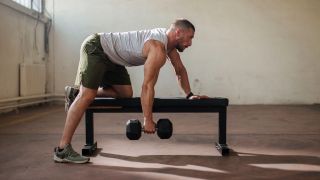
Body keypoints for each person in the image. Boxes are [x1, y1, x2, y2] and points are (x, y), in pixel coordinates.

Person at [53, 18, 208, 164]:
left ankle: (74, 93)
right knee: (87, 95)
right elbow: (147, 86)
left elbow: (180, 70)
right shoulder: (157, 48)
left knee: (125, 94)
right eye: (190, 37)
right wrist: (147, 119)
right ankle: (62, 150)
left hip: (113, 58)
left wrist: (189, 95)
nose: (190, 43)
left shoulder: (169, 46)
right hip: (97, 48)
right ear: (178, 33)